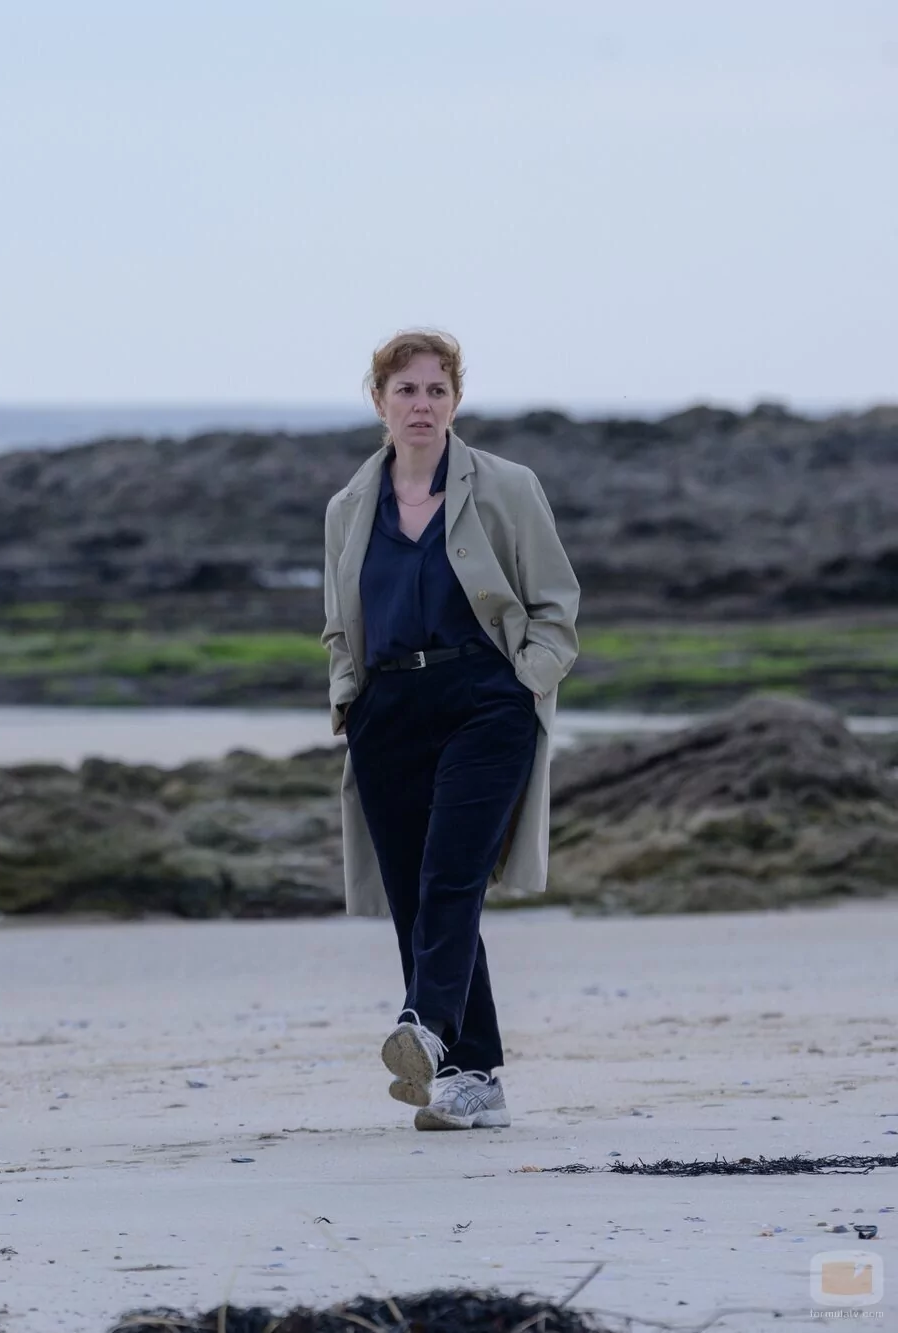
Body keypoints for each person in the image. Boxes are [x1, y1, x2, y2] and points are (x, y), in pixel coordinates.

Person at [321, 330, 579, 1132]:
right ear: (379, 402)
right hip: (388, 709)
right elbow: (339, 623)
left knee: (452, 875)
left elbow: (556, 605)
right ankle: (475, 1076)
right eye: (406, 390)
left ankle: (426, 1024)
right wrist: (349, 699)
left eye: (437, 389)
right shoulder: (348, 508)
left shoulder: (508, 487)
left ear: (456, 401)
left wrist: (526, 681)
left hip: (485, 699)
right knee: (413, 893)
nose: (422, 404)